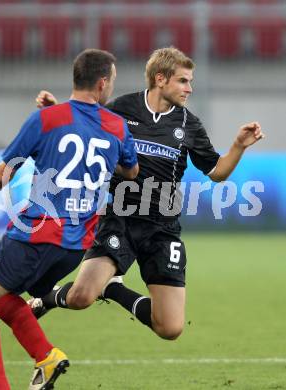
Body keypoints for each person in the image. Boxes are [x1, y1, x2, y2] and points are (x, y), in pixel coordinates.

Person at [29, 47, 265, 342]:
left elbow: (216, 172)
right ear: (160, 79)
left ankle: (112, 288)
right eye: (183, 81)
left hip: (162, 229)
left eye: (190, 81)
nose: (189, 88)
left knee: (170, 328)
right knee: (81, 297)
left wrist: (238, 146)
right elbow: (84, 125)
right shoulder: (122, 108)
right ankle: (44, 300)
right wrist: (56, 111)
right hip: (120, 219)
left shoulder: (188, 124)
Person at [0, 48, 138, 390]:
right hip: (75, 247)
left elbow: (3, 172)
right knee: (2, 297)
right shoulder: (116, 126)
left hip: (38, 234)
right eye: (112, 81)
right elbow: (130, 171)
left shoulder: (47, 119)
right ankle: (47, 357)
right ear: (102, 83)